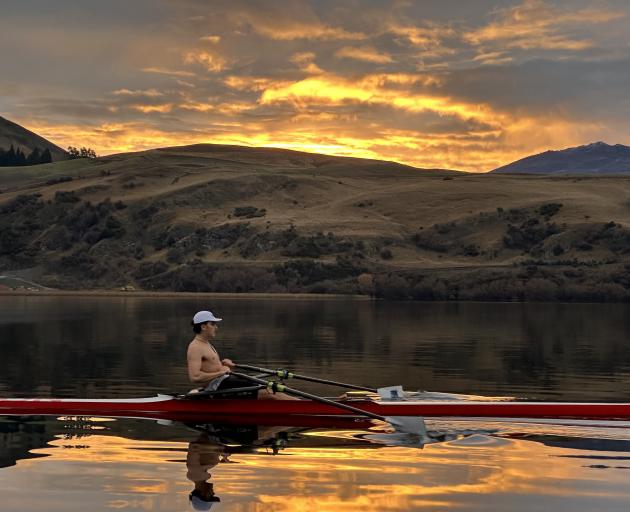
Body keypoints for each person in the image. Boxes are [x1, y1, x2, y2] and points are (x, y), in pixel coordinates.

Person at [187, 310, 298, 400]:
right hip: (218, 386)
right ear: (203, 327)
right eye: (213, 324)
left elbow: (210, 367)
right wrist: (220, 372)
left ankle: (300, 403)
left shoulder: (205, 343)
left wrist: (225, 366)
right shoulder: (195, 347)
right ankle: (304, 406)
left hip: (224, 381)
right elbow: (195, 377)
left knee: (268, 387)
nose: (216, 327)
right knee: (268, 390)